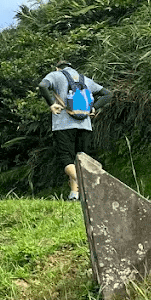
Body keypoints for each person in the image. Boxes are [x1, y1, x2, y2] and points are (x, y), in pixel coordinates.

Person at [38, 60, 111, 200]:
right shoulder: (85, 79)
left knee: (66, 158)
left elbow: (42, 85)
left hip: (63, 124)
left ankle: (89, 182)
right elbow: (108, 94)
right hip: (85, 125)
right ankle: (75, 194)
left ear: (57, 68)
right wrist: (94, 107)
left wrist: (52, 104)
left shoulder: (55, 75)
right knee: (79, 160)